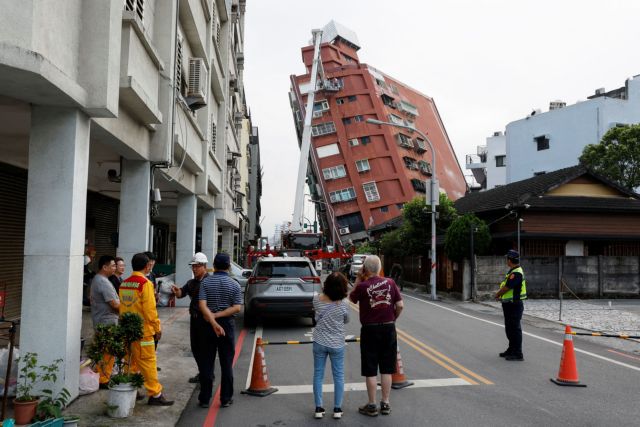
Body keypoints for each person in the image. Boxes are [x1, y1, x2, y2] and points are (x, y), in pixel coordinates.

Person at [349, 255, 403, 417]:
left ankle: (372, 405)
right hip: (388, 328)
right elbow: (400, 305)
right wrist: (393, 318)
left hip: (369, 330)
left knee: (371, 369)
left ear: (365, 269)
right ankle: (385, 403)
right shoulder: (391, 283)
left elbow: (351, 299)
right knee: (387, 368)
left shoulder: (363, 285)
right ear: (379, 268)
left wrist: (358, 278)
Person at [119, 252, 174, 406]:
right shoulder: (145, 284)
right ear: (146, 266)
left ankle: (130, 389)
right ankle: (155, 394)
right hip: (143, 333)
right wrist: (157, 328)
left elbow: (123, 308)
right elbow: (150, 310)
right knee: (148, 363)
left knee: (130, 362)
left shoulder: (125, 283)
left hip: (127, 331)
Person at [197, 253, 241, 408]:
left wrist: (212, 317)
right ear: (229, 267)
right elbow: (236, 307)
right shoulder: (234, 284)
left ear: (213, 266)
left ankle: (204, 399)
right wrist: (218, 315)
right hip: (226, 326)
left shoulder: (205, 283)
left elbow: (202, 305)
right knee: (226, 363)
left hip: (207, 325)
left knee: (207, 362)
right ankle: (226, 398)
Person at [312, 272, 350, 420]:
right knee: (339, 376)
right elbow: (346, 320)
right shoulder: (345, 304)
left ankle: (318, 408)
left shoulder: (316, 299)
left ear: (326, 285)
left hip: (319, 342)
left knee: (318, 375)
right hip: (337, 344)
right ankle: (337, 409)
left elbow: (315, 315)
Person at [171, 252, 210, 385]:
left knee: (205, 348)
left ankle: (207, 375)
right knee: (196, 347)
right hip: (194, 319)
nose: (194, 269)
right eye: (193, 266)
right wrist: (177, 292)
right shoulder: (192, 282)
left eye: (197, 266)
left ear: (204, 266)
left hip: (205, 319)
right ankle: (203, 372)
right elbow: (181, 293)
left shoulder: (209, 281)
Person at [89, 255, 119, 388]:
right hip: (107, 322)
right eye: (113, 265)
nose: (115, 268)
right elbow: (114, 304)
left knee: (104, 351)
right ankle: (104, 379)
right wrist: (130, 308)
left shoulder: (98, 279)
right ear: (104, 267)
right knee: (108, 351)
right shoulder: (103, 282)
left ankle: (102, 376)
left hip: (102, 320)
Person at [495, 249, 527, 361]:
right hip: (509, 304)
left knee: (514, 328)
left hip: (514, 304)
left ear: (510, 260)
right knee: (509, 328)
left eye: (507, 259)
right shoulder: (513, 271)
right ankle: (511, 349)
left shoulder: (516, 272)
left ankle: (518, 353)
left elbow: (507, 287)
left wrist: (498, 294)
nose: (506, 261)